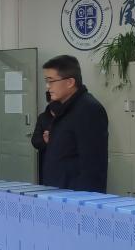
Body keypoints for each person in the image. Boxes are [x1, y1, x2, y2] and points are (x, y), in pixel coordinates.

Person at [38, 55, 108, 192]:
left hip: (75, 197)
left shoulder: (88, 109)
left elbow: (92, 165)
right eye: (46, 81)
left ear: (70, 82)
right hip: (57, 192)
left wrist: (81, 201)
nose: (47, 86)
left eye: (51, 81)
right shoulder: (62, 108)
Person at [30, 91, 56, 171]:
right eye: (53, 101)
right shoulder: (42, 117)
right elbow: (35, 141)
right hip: (46, 162)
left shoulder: (68, 116)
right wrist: (45, 141)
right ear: (49, 101)